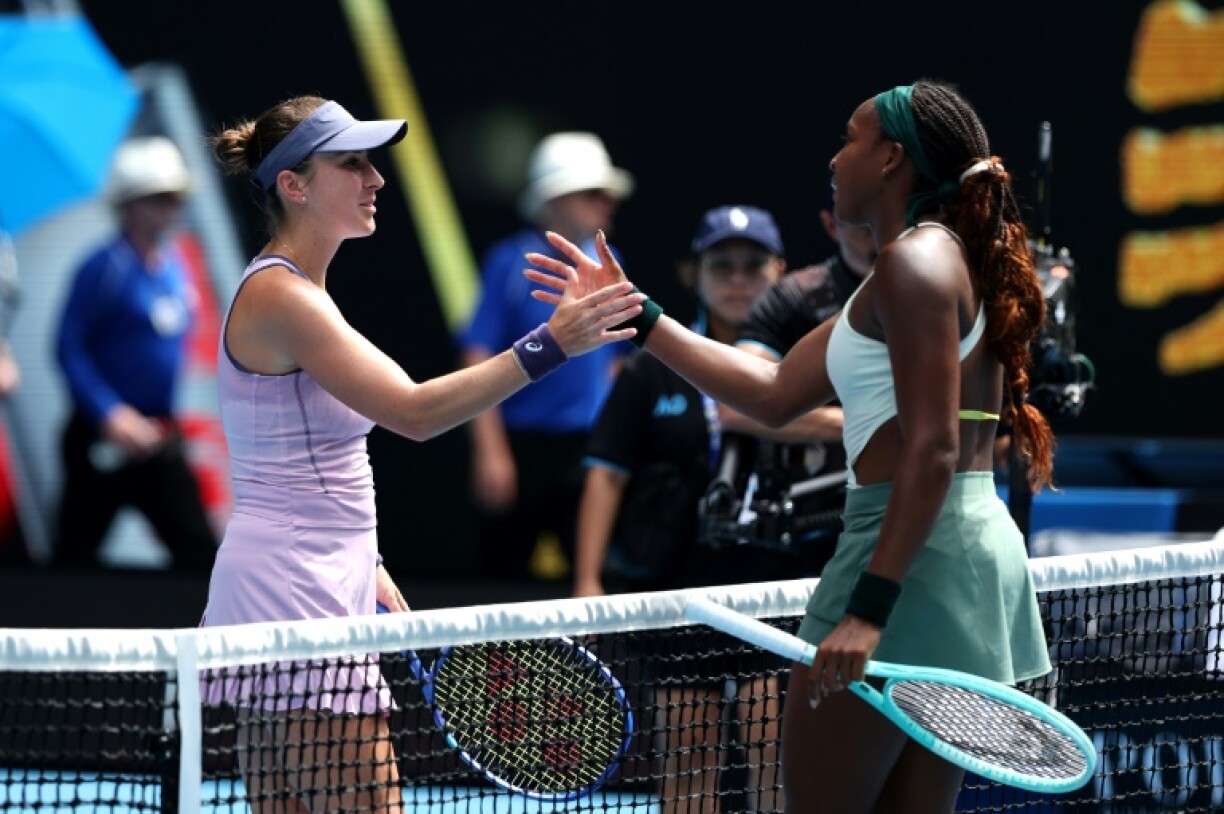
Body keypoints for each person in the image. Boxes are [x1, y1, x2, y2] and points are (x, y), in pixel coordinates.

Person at [528, 79, 1054, 814]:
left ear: (892, 159)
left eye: (850, 138)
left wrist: (870, 607)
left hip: (902, 559)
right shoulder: (928, 261)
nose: (835, 160)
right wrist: (638, 315)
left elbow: (932, 450)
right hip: (960, 556)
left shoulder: (911, 265)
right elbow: (772, 392)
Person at [200, 95, 642, 813]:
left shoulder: (296, 290)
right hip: (297, 584)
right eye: (352, 163)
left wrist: (363, 559)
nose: (375, 179)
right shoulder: (288, 299)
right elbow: (414, 411)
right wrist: (553, 343)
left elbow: (297, 452)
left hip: (294, 573)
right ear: (294, 184)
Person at [575, 204, 787, 813]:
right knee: (688, 758)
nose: (738, 278)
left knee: (773, 759)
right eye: (722, 265)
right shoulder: (649, 370)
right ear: (694, 273)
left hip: (772, 590)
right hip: (677, 592)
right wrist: (589, 580)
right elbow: (606, 474)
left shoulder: (802, 365)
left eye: (753, 265)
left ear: (780, 270)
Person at [456, 131, 634, 582]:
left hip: (588, 451)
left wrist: (615, 442)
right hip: (522, 448)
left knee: (592, 576)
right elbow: (478, 355)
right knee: (500, 583)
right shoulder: (507, 262)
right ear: (551, 199)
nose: (606, 202)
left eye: (607, 193)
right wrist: (492, 452)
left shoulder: (613, 263)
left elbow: (617, 358)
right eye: (592, 192)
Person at [51, 136, 218, 571]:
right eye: (157, 198)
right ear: (127, 204)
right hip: (100, 438)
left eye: (175, 197)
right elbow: (67, 346)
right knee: (73, 558)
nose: (169, 208)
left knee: (199, 554)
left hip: (159, 437)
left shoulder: (175, 264)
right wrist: (110, 414)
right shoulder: (101, 267)